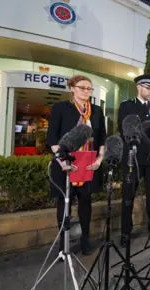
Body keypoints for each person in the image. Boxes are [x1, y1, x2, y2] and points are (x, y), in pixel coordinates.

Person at [47, 74, 107, 256]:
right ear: (72, 88)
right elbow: (52, 137)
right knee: (64, 204)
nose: (86, 91)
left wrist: (99, 160)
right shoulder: (60, 108)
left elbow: (102, 138)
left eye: (89, 88)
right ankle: (63, 245)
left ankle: (85, 240)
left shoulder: (96, 111)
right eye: (82, 87)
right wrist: (62, 161)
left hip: (89, 164)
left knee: (85, 203)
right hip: (65, 163)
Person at [118, 74, 150, 248]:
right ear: (138, 87)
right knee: (128, 197)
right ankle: (125, 232)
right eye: (148, 88)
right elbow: (123, 128)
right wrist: (147, 124)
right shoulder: (127, 106)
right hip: (133, 158)